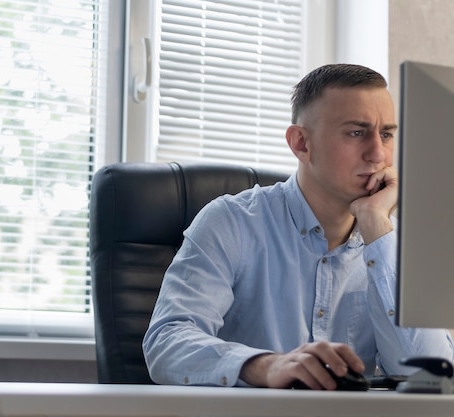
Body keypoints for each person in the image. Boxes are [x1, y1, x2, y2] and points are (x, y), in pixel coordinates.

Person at [142, 63, 454, 390]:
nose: (378, 154)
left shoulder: (395, 243)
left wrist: (377, 227)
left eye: (386, 134)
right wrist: (266, 366)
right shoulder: (230, 223)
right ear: (301, 144)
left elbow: (433, 376)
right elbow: (167, 342)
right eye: (356, 132)